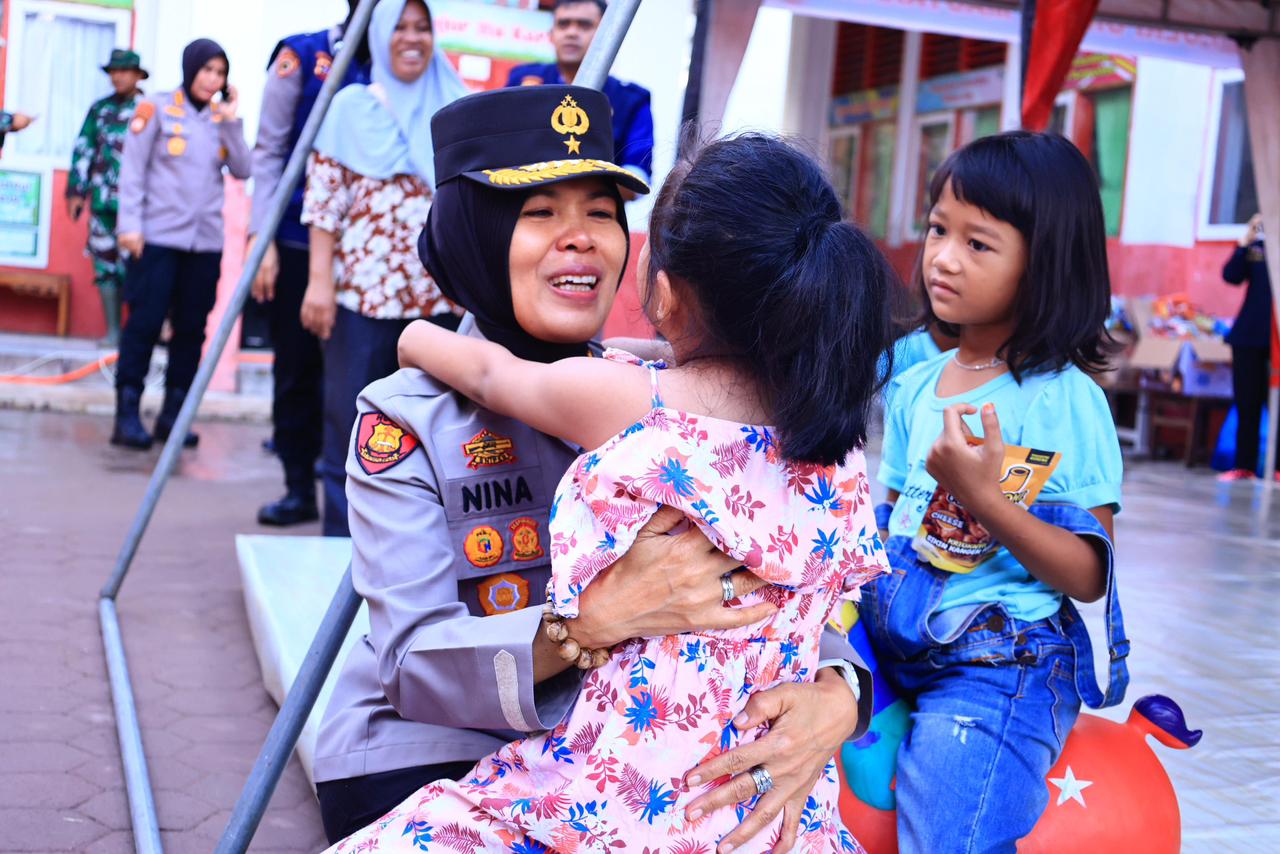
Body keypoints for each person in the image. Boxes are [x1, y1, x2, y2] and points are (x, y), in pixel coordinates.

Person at [313, 84, 877, 851]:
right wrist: (589, 625)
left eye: (604, 213)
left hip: (647, 766)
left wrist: (838, 697)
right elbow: (413, 666)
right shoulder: (410, 415)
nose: (580, 239)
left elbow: (787, 583)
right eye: (540, 213)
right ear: (473, 232)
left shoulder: (694, 400)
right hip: (435, 747)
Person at [866, 132, 1130, 853]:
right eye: (937, 229)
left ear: (1043, 266)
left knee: (949, 833)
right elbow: (893, 519)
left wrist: (987, 500)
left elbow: (1087, 572)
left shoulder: (1064, 400)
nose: (943, 256)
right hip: (899, 629)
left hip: (998, 666)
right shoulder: (917, 380)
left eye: (978, 244)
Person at [300, 0, 467, 536]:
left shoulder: (455, 105)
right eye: (400, 27)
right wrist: (319, 284)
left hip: (440, 302)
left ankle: (424, 555)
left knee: (436, 434)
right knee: (350, 427)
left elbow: (473, 206)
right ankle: (337, 555)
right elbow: (324, 203)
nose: (412, 38)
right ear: (377, 34)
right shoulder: (351, 106)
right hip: (362, 301)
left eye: (423, 27)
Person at [249, 2, 373, 526]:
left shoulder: (395, 59)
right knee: (298, 369)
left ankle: (362, 501)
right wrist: (264, 241)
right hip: (300, 243)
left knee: (361, 379)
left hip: (371, 254)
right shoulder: (301, 55)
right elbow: (269, 151)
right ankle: (299, 486)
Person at [112, 39, 250, 450]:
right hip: (155, 239)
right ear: (190, 69)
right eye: (207, 70)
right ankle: (127, 416)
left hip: (204, 245)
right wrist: (129, 227)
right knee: (144, 324)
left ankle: (174, 417)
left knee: (191, 331)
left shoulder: (219, 119)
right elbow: (133, 170)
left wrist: (230, 122)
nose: (213, 79)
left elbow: (243, 169)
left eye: (220, 73)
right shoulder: (155, 107)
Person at [506, 0, 653, 190]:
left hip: (595, 213)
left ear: (606, 35)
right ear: (551, 35)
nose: (572, 32)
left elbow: (636, 176)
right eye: (563, 24)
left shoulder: (631, 100)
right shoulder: (521, 82)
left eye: (584, 25)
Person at [67, 49, 149, 347]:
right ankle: (113, 333)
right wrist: (76, 191)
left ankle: (138, 334)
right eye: (113, 71)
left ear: (138, 75)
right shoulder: (99, 110)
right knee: (104, 266)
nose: (117, 76)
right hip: (102, 203)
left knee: (137, 269)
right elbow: (83, 149)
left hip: (137, 206)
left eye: (124, 71)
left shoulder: (148, 110)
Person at [1217, 212, 1277, 483]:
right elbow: (1231, 276)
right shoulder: (1257, 246)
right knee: (1247, 403)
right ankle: (1244, 466)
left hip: (1276, 335)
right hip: (1249, 335)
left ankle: (1277, 469)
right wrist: (1243, 243)